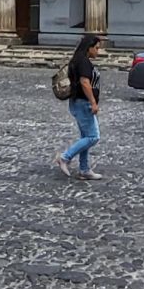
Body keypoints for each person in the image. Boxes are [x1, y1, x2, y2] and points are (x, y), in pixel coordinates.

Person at [54, 34, 104, 181]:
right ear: (89, 48)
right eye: (96, 48)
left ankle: (84, 169)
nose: (97, 51)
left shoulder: (78, 60)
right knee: (93, 136)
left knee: (85, 137)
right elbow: (85, 82)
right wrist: (93, 102)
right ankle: (65, 157)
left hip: (78, 102)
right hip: (83, 103)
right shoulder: (83, 62)